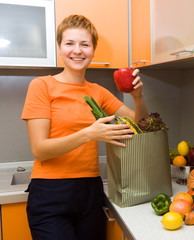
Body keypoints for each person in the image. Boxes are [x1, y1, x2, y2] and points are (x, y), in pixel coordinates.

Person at [21, 14, 148, 240]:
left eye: (84, 44)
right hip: (50, 194)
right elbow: (39, 149)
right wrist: (90, 134)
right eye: (69, 43)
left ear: (93, 50)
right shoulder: (41, 86)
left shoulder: (98, 92)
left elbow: (141, 127)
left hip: (90, 192)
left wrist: (138, 97)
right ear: (59, 47)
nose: (77, 50)